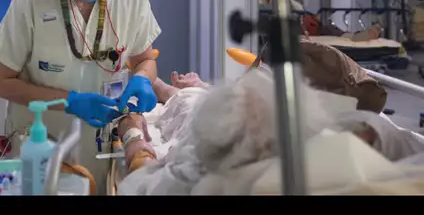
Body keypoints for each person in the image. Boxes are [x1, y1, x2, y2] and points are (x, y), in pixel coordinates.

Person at [0, 0, 161, 194]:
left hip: (102, 145)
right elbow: (0, 81)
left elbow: (145, 59)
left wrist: (143, 78)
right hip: (41, 142)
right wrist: (68, 101)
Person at [117, 70, 424, 195]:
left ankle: (176, 88)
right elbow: (388, 136)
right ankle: (185, 87)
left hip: (209, 116)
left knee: (188, 102)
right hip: (232, 111)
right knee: (193, 99)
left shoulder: (201, 167)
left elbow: (139, 177)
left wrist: (132, 129)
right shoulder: (351, 132)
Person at [261, 0, 382, 41]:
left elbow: (302, 11)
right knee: (331, 33)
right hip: (302, 31)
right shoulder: (269, 11)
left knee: (331, 31)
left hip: (311, 25)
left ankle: (358, 36)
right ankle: (356, 37)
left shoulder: (292, 5)